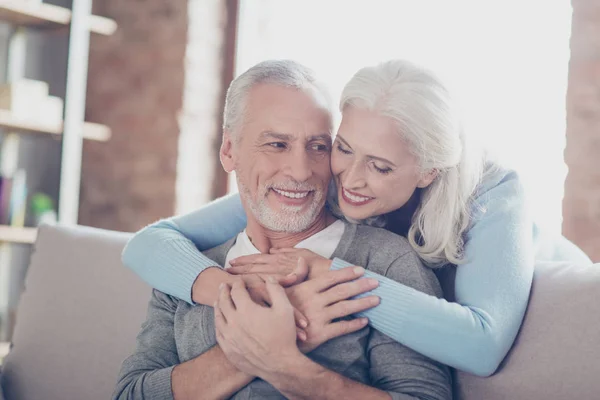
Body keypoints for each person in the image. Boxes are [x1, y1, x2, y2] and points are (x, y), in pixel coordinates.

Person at [122, 58, 592, 377]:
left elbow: (482, 347)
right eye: (343, 147)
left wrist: (333, 280)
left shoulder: (492, 193)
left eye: (381, 167)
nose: (350, 179)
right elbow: (149, 243)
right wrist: (226, 289)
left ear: (428, 170)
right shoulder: (327, 174)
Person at [113, 59, 452, 400]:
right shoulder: (186, 273)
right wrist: (258, 345)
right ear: (229, 151)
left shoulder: (385, 262)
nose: (301, 171)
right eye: (277, 145)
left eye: (318, 147)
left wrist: (290, 368)